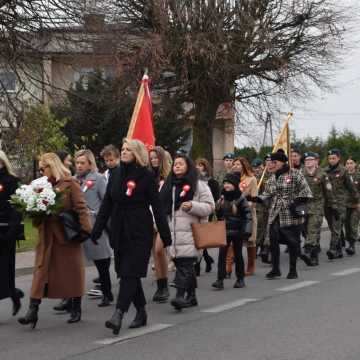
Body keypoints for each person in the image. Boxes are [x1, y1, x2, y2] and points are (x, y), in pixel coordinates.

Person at [90, 139, 172, 335]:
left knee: (130, 272)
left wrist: (165, 234)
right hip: (119, 229)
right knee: (126, 272)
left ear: (137, 153)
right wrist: (97, 229)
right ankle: (141, 311)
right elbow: (107, 205)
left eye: (128, 149)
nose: (124, 152)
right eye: (123, 149)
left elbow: (158, 208)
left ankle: (118, 313)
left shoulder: (146, 176)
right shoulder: (115, 174)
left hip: (139, 230)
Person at [18, 153, 92, 329]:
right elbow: (36, 214)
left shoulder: (69, 183)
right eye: (41, 169)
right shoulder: (40, 186)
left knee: (72, 272)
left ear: (53, 166)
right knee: (40, 273)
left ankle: (76, 307)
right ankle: (32, 311)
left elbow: (81, 207)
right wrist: (35, 210)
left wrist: (85, 230)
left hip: (66, 236)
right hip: (46, 236)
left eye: (44, 168)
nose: (42, 171)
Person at [160, 154, 214, 310]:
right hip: (174, 234)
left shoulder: (198, 185)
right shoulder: (170, 185)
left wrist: (192, 206)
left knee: (185, 264)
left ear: (188, 166)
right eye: (175, 164)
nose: (176, 166)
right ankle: (191, 297)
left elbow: (210, 207)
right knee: (181, 264)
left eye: (180, 164)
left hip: (191, 232)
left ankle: (179, 296)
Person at [255, 149, 313, 279]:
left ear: (281, 162)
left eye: (274, 162)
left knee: (292, 242)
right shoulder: (271, 178)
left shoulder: (295, 174)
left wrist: (295, 203)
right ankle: (276, 269)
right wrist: (252, 198)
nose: (271, 164)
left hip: (291, 214)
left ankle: (293, 270)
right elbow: (266, 195)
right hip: (275, 213)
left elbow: (306, 192)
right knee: (273, 241)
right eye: (270, 162)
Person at [73, 149, 113, 306]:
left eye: (83, 163)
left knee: (101, 262)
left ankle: (107, 293)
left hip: (96, 226)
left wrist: (98, 216)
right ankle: (70, 299)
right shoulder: (73, 180)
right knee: (74, 265)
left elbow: (106, 202)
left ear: (90, 164)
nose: (79, 166)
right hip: (78, 227)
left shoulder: (98, 179)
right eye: (77, 163)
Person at [212, 173, 252, 290]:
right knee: (222, 255)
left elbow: (247, 215)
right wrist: (217, 207)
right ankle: (220, 279)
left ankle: (240, 279)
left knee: (238, 255)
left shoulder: (240, 198)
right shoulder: (222, 198)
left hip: (237, 231)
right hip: (224, 231)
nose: (226, 185)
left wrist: (247, 231)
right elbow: (218, 215)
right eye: (225, 183)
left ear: (234, 184)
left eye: (229, 183)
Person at [0, 151, 24, 317]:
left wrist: (12, 230)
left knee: (6, 269)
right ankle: (13, 292)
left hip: (6, 230)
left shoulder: (11, 181)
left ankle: (14, 295)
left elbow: (17, 207)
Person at [324, 149, 360, 260]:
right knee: (333, 227)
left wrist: (358, 201)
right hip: (328, 204)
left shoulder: (343, 171)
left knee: (341, 226)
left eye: (334, 158)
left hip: (342, 204)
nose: (331, 160)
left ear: (338, 158)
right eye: (330, 158)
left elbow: (352, 188)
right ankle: (339, 250)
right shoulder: (324, 171)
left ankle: (334, 248)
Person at [149, 146, 172, 303]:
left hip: (166, 218)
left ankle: (165, 285)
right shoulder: (149, 176)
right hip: (150, 217)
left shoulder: (170, 177)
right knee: (155, 253)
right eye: (151, 157)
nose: (153, 160)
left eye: (156, 157)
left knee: (159, 250)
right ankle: (161, 285)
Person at [231, 157, 258, 276]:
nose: (236, 166)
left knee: (250, 240)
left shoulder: (251, 179)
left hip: (247, 212)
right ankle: (232, 265)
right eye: (234, 164)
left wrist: (245, 205)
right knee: (234, 240)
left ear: (244, 166)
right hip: (234, 213)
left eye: (238, 164)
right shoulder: (232, 178)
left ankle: (251, 265)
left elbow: (254, 198)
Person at [301, 152, 328, 266]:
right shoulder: (300, 174)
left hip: (317, 205)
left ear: (316, 161)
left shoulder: (322, 174)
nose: (308, 162)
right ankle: (314, 253)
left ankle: (310, 253)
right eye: (306, 160)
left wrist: (333, 207)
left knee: (313, 228)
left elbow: (328, 192)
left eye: (311, 159)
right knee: (306, 231)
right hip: (303, 205)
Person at [195, 157, 220, 274]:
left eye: (201, 165)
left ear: (205, 167)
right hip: (195, 210)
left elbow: (214, 198)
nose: (198, 167)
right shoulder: (193, 180)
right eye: (197, 165)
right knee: (199, 239)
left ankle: (198, 266)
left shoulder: (212, 182)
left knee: (201, 238)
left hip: (206, 212)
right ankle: (207, 259)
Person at [344, 157, 360, 255]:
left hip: (356, 204)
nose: (349, 165)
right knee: (347, 226)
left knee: (353, 224)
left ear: (355, 164)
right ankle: (349, 241)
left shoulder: (358, 176)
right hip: (345, 204)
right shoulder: (342, 176)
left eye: (351, 163)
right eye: (347, 163)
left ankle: (352, 246)